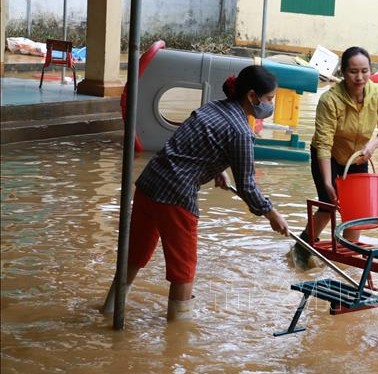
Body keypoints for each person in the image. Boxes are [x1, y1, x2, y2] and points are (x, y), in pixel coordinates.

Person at [101, 65, 289, 321]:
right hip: (176, 196)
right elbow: (246, 186)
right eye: (269, 99)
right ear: (252, 97)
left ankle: (109, 309)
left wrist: (215, 170)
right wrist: (272, 214)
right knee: (183, 270)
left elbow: (191, 145)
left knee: (135, 255)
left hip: (150, 182)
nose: (270, 105)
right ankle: (178, 338)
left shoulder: (213, 107)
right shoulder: (241, 132)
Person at [291, 46, 378, 268]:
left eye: (364, 71)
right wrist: (329, 182)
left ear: (370, 71)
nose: (359, 77)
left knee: (356, 209)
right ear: (343, 73)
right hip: (327, 156)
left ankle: (347, 257)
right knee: (328, 205)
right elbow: (323, 144)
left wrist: (372, 146)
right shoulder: (330, 100)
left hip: (358, 156)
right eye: (353, 71)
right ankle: (303, 246)